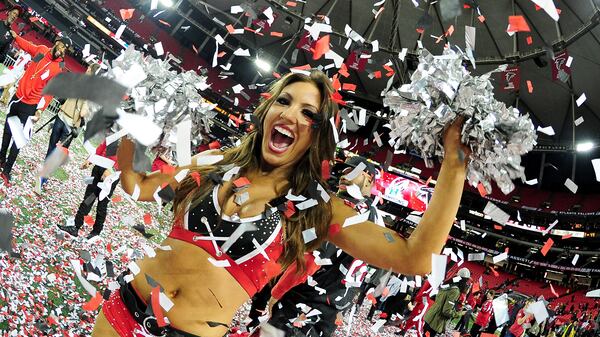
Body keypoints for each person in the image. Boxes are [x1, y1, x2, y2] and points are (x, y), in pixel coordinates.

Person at [91, 70, 470, 337]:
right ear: (267, 110)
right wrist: (134, 122)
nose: (290, 115)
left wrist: (454, 165)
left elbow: (415, 258)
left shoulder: (318, 209)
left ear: (319, 135)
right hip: (123, 310)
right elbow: (138, 186)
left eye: (309, 113)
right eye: (284, 101)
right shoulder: (216, 163)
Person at [247, 155, 380, 337]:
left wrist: (276, 294)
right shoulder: (374, 217)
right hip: (331, 309)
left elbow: (309, 261)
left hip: (304, 303)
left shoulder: (342, 210)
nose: (342, 176)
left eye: (351, 172)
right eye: (343, 171)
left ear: (368, 179)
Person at [0, 32, 68, 186]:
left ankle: (7, 170)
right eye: (62, 46)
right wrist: (16, 36)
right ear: (57, 42)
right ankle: (1, 159)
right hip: (17, 97)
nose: (62, 50)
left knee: (18, 138)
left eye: (65, 50)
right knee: (7, 132)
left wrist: (40, 110)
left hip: (30, 105)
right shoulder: (42, 50)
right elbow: (27, 46)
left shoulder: (58, 68)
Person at [37, 63, 101, 191]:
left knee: (51, 146)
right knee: (58, 152)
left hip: (60, 116)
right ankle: (43, 177)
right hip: (70, 124)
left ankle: (43, 173)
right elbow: (83, 113)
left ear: (89, 69)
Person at [57, 140, 120, 240]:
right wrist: (89, 160)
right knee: (89, 198)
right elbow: (101, 147)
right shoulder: (114, 130)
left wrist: (112, 170)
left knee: (102, 203)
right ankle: (76, 226)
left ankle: (96, 232)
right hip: (99, 167)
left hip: (111, 174)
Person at [423, 267, 471, 337]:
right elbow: (446, 311)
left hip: (430, 316)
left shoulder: (447, 285)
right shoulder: (455, 291)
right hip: (435, 321)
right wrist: (460, 313)